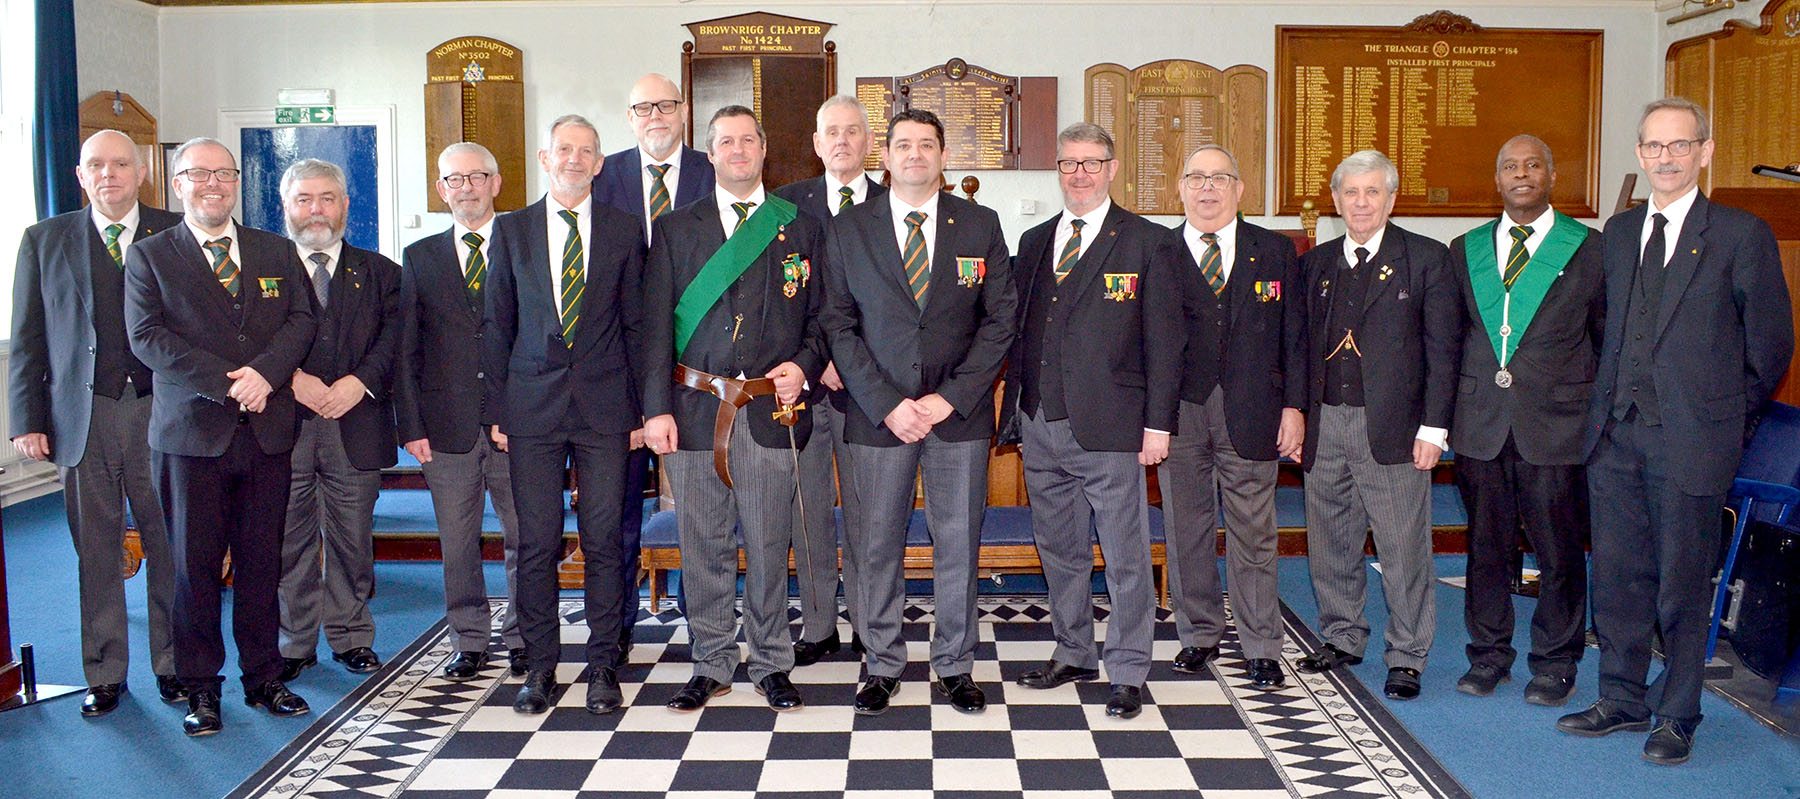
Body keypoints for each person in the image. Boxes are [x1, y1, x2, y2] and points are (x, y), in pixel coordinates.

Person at [1558, 97, 1792, 765]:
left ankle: (1678, 712)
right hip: (1615, 437)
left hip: (1692, 441)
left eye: (1679, 145)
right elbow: (1610, 329)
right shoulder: (1622, 231)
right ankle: (1622, 697)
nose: (1665, 157)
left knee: (1682, 580)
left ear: (1705, 152)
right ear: (1639, 154)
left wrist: (1727, 422)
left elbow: (1770, 345)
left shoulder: (1740, 234)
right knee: (1621, 576)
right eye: (1654, 146)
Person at [820, 109, 1017, 716]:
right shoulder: (849, 228)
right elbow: (837, 324)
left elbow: (1000, 320)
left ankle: (955, 665)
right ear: (886, 156)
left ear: (941, 156)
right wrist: (887, 404)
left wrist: (949, 398)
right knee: (875, 544)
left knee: (957, 541)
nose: (914, 155)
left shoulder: (980, 225)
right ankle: (881, 663)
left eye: (926, 145)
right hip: (878, 418)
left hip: (956, 416)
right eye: (903, 145)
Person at [124, 137, 317, 736]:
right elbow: (147, 337)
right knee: (193, 568)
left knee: (262, 564)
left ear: (237, 182)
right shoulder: (150, 255)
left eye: (224, 173)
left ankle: (263, 678)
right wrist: (232, 383)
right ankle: (201, 689)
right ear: (176, 183)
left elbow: (302, 320)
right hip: (191, 439)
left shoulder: (275, 249)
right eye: (198, 174)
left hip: (265, 435)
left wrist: (267, 374)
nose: (213, 183)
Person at [641, 105, 826, 712]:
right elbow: (651, 329)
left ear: (764, 148)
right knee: (703, 542)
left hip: (771, 412)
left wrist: (802, 363)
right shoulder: (675, 228)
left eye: (749, 139)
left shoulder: (799, 226)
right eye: (726, 142)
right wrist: (655, 410)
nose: (738, 150)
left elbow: (824, 317)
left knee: (771, 542)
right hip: (694, 409)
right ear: (710, 153)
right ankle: (712, 661)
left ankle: (771, 661)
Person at [1000, 123, 1180, 719]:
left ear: (1112, 167)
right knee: (1060, 549)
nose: (1080, 173)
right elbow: (1021, 330)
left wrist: (1159, 425)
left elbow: (1165, 342)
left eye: (1091, 162)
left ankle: (1127, 668)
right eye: (1069, 163)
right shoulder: (1033, 241)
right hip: (1040, 421)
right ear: (1058, 170)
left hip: (1112, 426)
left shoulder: (1148, 242)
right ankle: (1073, 650)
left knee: (1126, 553)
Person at [9, 129, 184, 716]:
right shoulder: (44, 240)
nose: (108, 174)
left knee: (170, 544)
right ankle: (105, 672)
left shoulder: (177, 232)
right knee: (97, 549)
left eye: (120, 164)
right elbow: (29, 338)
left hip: (164, 413)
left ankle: (176, 665)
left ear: (141, 173)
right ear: (81, 176)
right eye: (95, 165)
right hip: (81, 419)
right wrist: (26, 419)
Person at [483, 114, 645, 716]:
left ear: (600, 163)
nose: (574, 159)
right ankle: (541, 669)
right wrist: (496, 409)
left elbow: (637, 326)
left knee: (604, 539)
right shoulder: (513, 229)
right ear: (545, 159)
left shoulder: (626, 231)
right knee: (537, 544)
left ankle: (604, 665)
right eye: (563, 150)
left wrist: (641, 410)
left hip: (606, 412)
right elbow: (497, 325)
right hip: (531, 411)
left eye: (586, 151)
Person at [1295, 149, 1459, 701]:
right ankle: (1342, 635)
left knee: (1402, 545)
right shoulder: (1315, 264)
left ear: (1390, 199)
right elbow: (1297, 350)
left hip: (1394, 427)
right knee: (1331, 538)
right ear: (1337, 200)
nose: (1360, 202)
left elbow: (1444, 351)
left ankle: (1408, 654)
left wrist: (1434, 429)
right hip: (1326, 423)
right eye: (1350, 192)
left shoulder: (1427, 259)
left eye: (1372, 192)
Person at [1447, 135, 1603, 705]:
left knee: (1559, 552)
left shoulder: (1589, 250)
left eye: (1533, 164)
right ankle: (1488, 656)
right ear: (1497, 179)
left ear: (1551, 175)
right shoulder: (1465, 250)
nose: (1521, 174)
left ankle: (1555, 662)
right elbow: (1449, 341)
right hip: (1481, 424)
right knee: (1485, 547)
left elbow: (1606, 342)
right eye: (1509, 165)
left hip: (1557, 427)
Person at [1158, 144, 1307, 691]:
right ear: (1181, 188)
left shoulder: (1274, 251)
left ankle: (1261, 644)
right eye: (1195, 176)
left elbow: (1295, 335)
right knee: (1186, 527)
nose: (1207, 188)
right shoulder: (1158, 251)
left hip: (1254, 411)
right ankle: (1199, 634)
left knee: (1254, 531)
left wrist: (1294, 407)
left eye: (1220, 177)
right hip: (1180, 412)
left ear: (1240, 189)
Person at [592, 73, 717, 660]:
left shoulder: (713, 165)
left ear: (683, 110)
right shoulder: (603, 173)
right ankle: (614, 628)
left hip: (698, 363)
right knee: (617, 504)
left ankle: (705, 624)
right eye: (643, 106)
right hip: (616, 367)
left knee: (702, 501)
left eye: (665, 105)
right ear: (630, 115)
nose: (655, 116)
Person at [397, 142, 527, 681]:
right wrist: (410, 425)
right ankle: (469, 639)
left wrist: (524, 414)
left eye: (477, 176)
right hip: (444, 427)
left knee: (526, 536)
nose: (466, 188)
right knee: (457, 541)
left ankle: (524, 635)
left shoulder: (526, 245)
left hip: (516, 425)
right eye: (455, 179)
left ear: (497, 183)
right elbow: (407, 347)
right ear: (441, 190)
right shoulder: (421, 256)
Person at [274, 159, 402, 682]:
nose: (316, 210)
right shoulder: (266, 266)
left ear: (346, 204)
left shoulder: (381, 272)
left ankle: (351, 636)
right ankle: (294, 643)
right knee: (290, 538)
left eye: (327, 198)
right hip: (285, 424)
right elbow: (250, 338)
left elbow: (395, 339)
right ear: (286, 207)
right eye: (304, 199)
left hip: (357, 422)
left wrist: (359, 382)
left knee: (353, 538)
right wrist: (292, 378)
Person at [772, 93, 888, 665]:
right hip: (802, 387)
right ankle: (818, 625)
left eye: (852, 131)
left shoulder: (898, 205)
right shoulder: (785, 207)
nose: (841, 141)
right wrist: (815, 361)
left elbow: (899, 306)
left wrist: (853, 360)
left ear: (870, 142)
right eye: (830, 133)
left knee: (868, 511)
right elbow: (780, 300)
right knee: (807, 508)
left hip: (869, 390)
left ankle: (871, 623)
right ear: (816, 145)